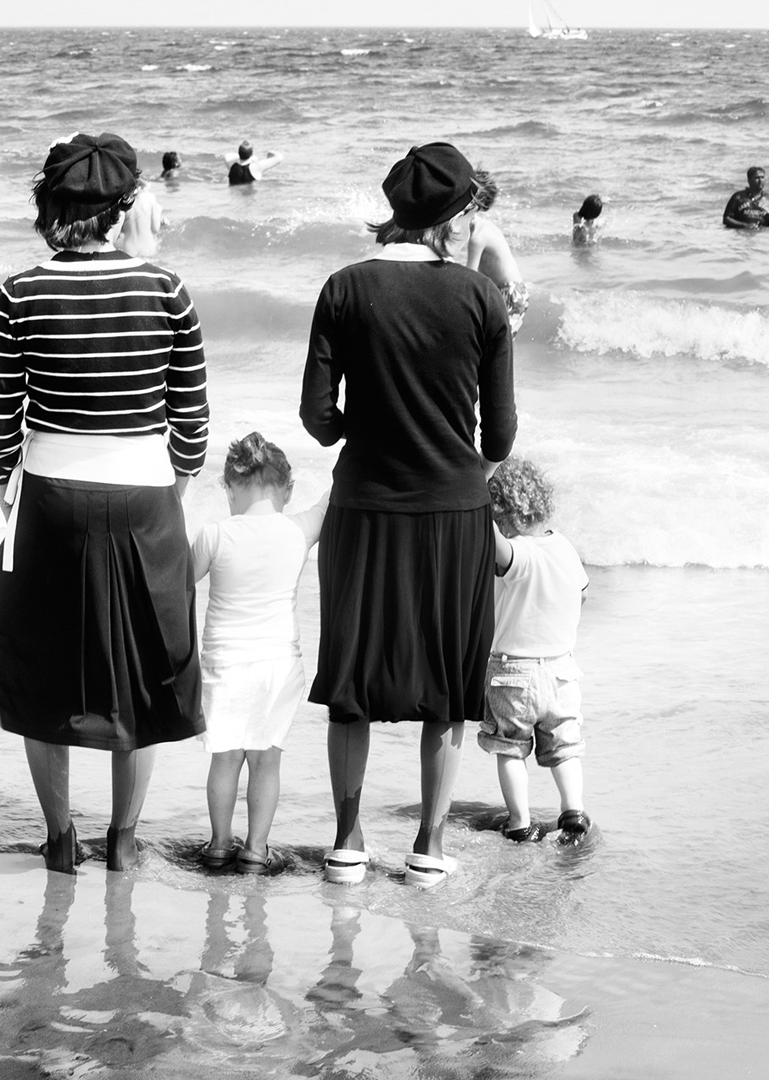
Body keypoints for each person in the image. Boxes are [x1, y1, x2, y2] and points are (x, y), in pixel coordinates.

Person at [0, 132, 210, 874]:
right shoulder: (168, 289)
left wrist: (3, 481)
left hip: (52, 497)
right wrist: (173, 487)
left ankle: (57, 837)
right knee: (140, 672)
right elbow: (192, 421)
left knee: (41, 670)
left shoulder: (20, 291)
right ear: (122, 208)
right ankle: (125, 837)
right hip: (144, 496)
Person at [300, 141, 515, 891]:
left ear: (395, 212)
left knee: (353, 675)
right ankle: (427, 845)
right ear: (455, 217)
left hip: (363, 505)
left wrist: (371, 424)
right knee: (451, 686)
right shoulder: (481, 298)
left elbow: (319, 422)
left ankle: (348, 843)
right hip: (454, 509)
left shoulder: (343, 288)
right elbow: (502, 439)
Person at [190, 433, 327, 873]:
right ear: (287, 490)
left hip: (224, 664)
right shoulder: (298, 529)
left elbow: (174, 588)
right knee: (266, 760)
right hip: (278, 667)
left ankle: (218, 843)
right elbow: (333, 498)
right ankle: (255, 848)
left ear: (230, 488)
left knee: (225, 757)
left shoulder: (214, 535)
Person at [480, 458, 591, 842]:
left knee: (510, 750)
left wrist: (474, 488)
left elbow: (490, 540)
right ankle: (573, 811)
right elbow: (582, 594)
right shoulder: (564, 547)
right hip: (562, 672)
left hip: (513, 673)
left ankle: (520, 823)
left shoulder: (518, 553)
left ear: (500, 510)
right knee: (565, 749)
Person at [465, 170, 531, 335]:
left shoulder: (478, 236)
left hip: (510, 293)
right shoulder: (482, 228)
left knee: (496, 349)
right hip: (512, 292)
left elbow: (469, 278)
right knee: (496, 347)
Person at [112, 178, 165, 259]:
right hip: (148, 248)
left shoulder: (124, 202)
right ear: (142, 187)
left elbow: (119, 231)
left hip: (129, 250)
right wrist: (158, 213)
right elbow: (155, 229)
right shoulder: (150, 197)